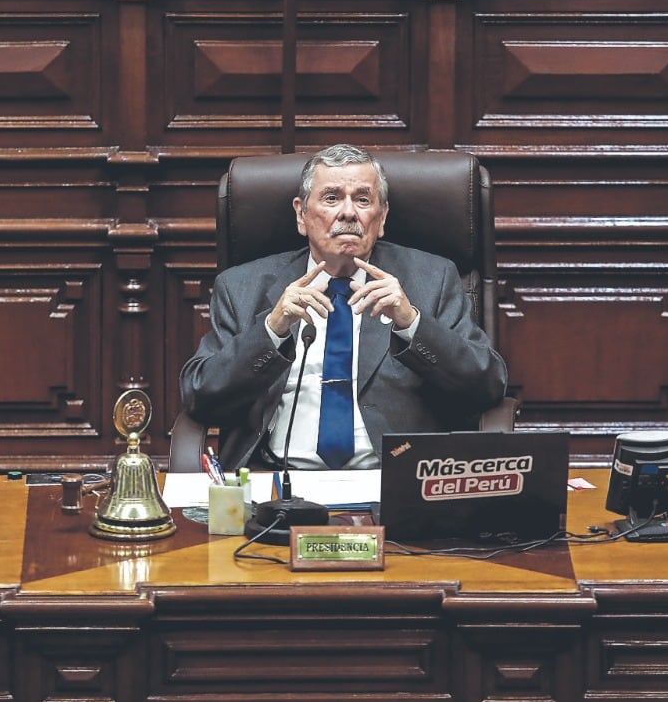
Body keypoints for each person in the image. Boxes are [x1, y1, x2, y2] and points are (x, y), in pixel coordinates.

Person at [180, 144, 508, 470]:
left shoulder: (432, 279)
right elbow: (199, 396)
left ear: (382, 217)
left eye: (363, 200)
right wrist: (272, 330)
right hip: (279, 480)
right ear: (301, 214)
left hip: (393, 479)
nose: (348, 213)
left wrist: (411, 324)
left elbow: (487, 386)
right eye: (331, 198)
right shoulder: (242, 287)